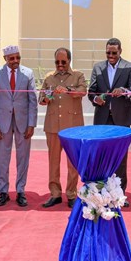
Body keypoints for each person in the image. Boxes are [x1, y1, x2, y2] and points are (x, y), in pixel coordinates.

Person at [88, 38, 131, 206]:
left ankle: (120, 195)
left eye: (114, 53)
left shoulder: (129, 67)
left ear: (120, 51)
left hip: (121, 119)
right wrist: (96, 99)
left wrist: (123, 91)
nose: (110, 55)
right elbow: (91, 92)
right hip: (102, 119)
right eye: (108, 52)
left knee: (121, 158)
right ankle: (102, 195)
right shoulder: (98, 67)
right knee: (101, 157)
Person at [0, 45, 37, 207]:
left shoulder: (28, 73)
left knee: (23, 158)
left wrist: (31, 124)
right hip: (3, 123)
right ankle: (3, 191)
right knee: (3, 158)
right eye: (12, 58)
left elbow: (33, 101)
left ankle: (21, 191)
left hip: (23, 123)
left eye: (18, 57)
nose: (15, 61)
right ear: (5, 59)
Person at [39, 47, 87, 208]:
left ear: (69, 61)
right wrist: (47, 97)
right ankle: (55, 194)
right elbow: (41, 99)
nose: (60, 65)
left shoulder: (78, 75)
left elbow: (82, 91)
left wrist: (68, 90)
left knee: (73, 163)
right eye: (57, 62)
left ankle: (72, 193)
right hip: (53, 126)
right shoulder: (49, 78)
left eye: (63, 62)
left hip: (73, 128)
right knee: (53, 162)